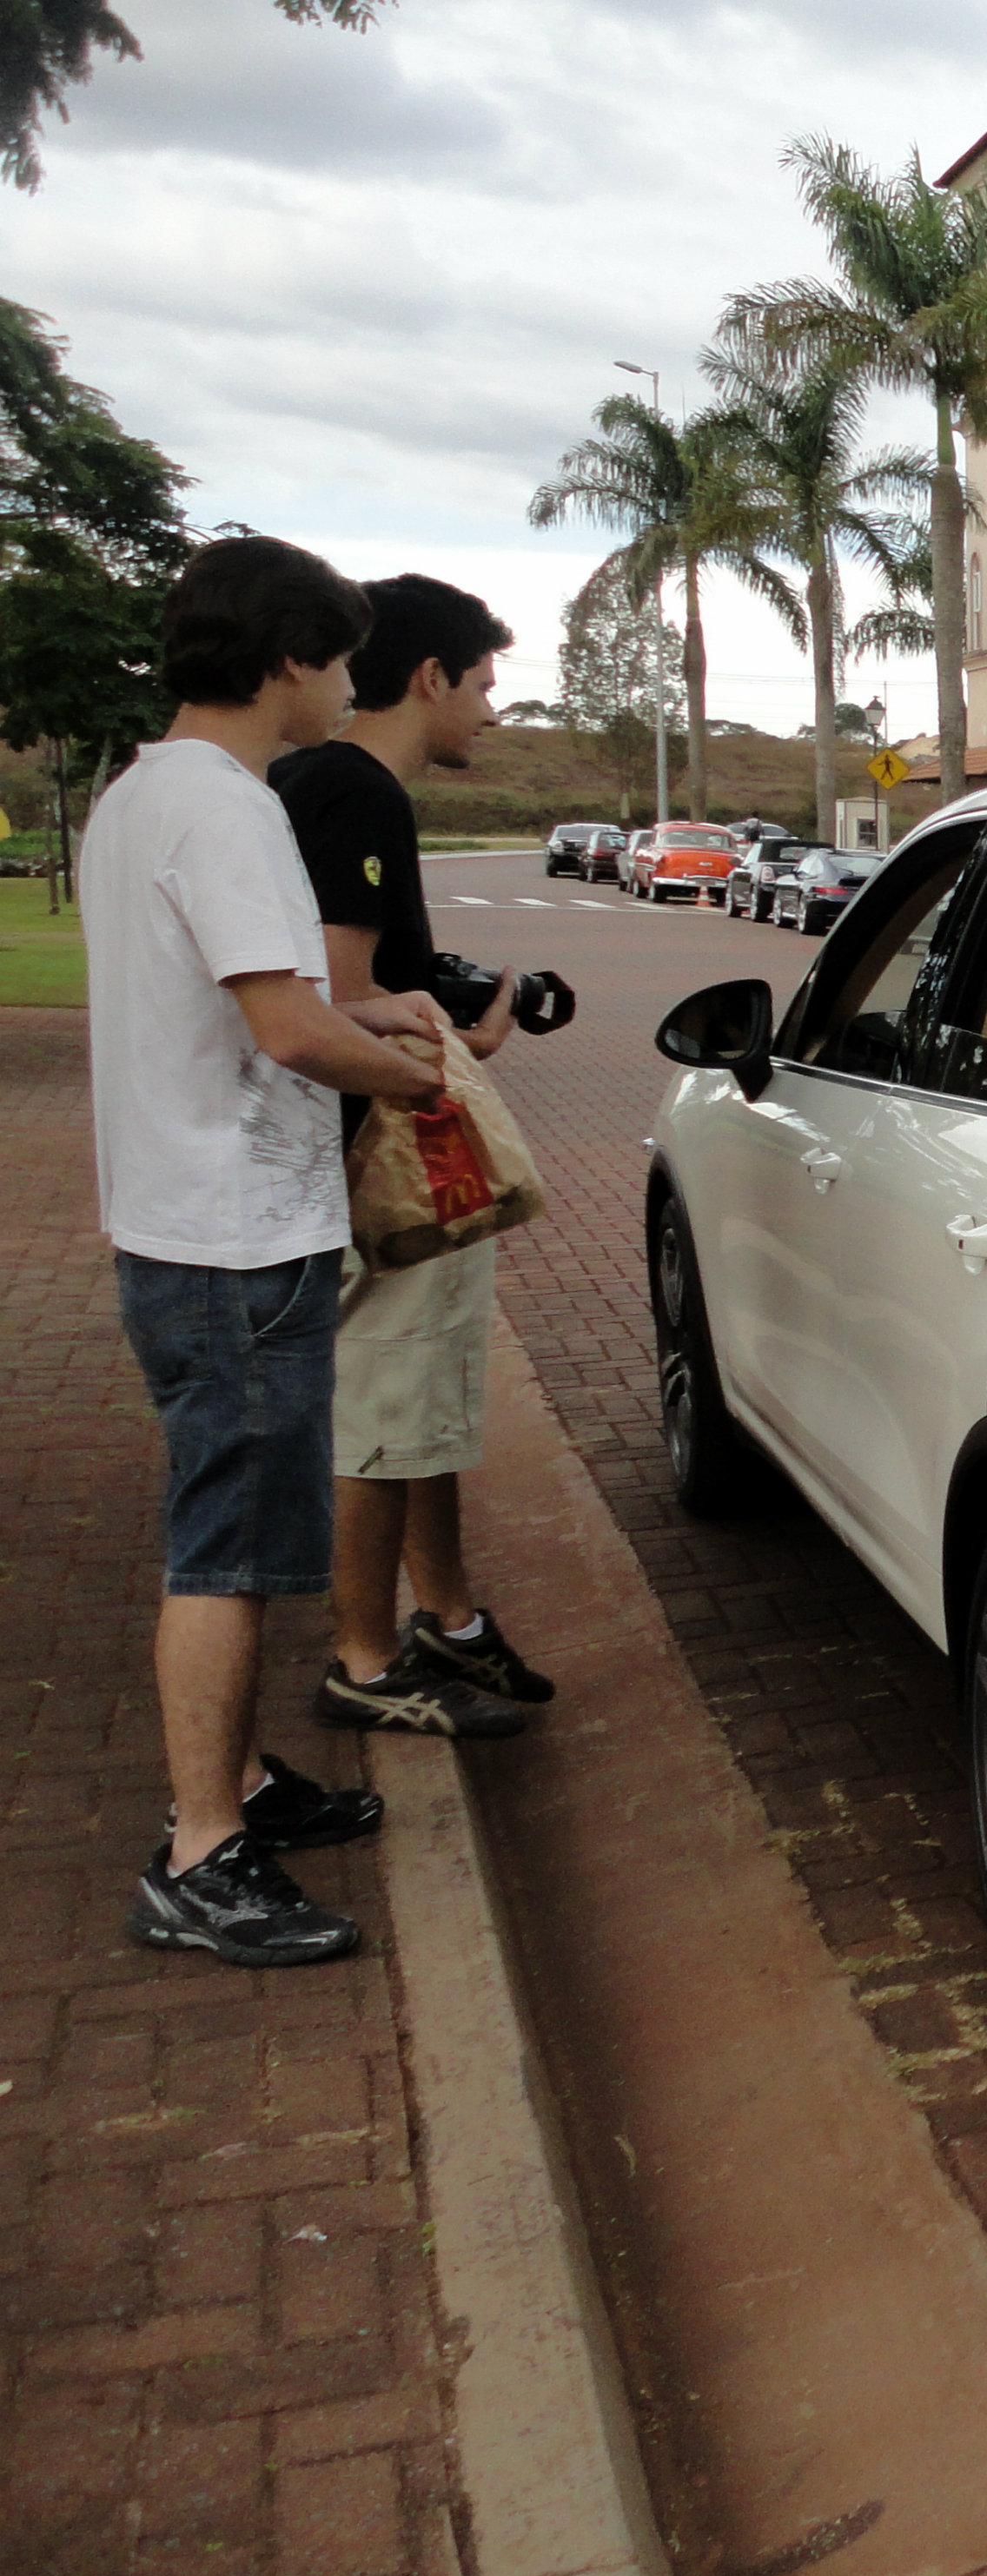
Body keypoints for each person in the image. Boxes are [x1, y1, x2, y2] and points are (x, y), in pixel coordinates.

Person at [83, 536, 454, 1967]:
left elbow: (280, 1001)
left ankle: (232, 1785)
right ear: (291, 658)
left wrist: (385, 1024)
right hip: (236, 1239)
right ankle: (199, 1853)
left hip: (182, 1225)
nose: (351, 685)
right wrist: (419, 1078)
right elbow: (289, 1029)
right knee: (224, 1554)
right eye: (341, 657)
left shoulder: (139, 797)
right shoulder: (231, 812)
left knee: (225, 1528)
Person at [274, 575, 549, 1740]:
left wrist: (447, 1010)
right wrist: (443, 1058)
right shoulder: (355, 788)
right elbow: (336, 998)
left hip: (333, 1152)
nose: (492, 710)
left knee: (421, 1403)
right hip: (373, 1158)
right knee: (384, 1415)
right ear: (430, 678)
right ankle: (366, 1660)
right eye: (484, 684)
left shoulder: (308, 786)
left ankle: (448, 1617)